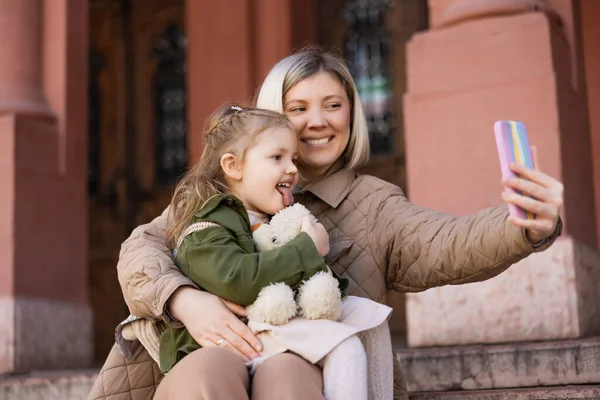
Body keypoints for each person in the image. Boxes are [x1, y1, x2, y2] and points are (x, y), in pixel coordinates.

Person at [89, 47, 563, 400]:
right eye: (298, 109)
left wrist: (522, 226)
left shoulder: (372, 203)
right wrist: (184, 299)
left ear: (352, 115)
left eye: (333, 105)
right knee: (206, 377)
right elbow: (142, 248)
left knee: (290, 380)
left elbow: (444, 242)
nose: (317, 121)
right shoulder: (214, 194)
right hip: (207, 355)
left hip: (306, 362)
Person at [157, 103, 393, 399]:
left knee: (309, 367)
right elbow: (238, 281)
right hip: (216, 347)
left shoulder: (282, 224)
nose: (293, 169)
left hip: (281, 344)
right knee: (210, 372)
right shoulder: (206, 225)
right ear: (233, 166)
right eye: (277, 157)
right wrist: (307, 250)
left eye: (293, 158)